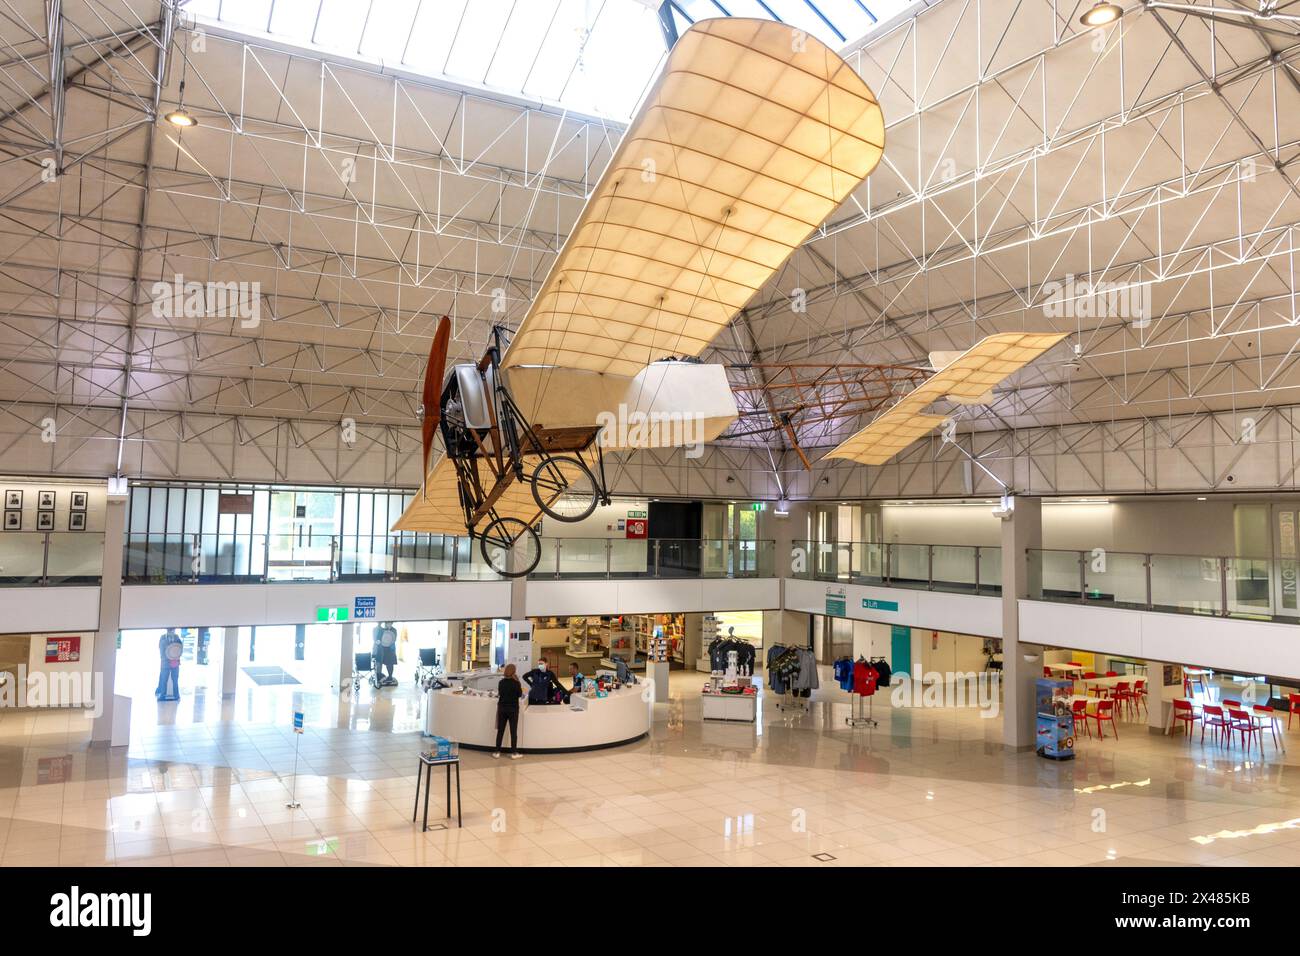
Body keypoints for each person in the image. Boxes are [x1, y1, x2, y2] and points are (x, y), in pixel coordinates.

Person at [493, 663, 523, 759]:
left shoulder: (501, 682)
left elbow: (500, 693)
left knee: (500, 731)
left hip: (502, 709)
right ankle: (514, 753)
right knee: (513, 731)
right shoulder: (516, 683)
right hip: (513, 709)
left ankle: (497, 752)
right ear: (514, 672)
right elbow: (519, 695)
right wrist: (517, 681)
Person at [373, 622, 398, 686]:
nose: (388, 625)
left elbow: (394, 639)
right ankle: (378, 676)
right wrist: (378, 642)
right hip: (381, 649)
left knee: (390, 664)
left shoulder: (394, 630)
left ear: (391, 623)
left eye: (389, 623)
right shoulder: (381, 630)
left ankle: (390, 676)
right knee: (379, 662)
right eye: (387, 623)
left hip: (390, 649)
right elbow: (378, 639)